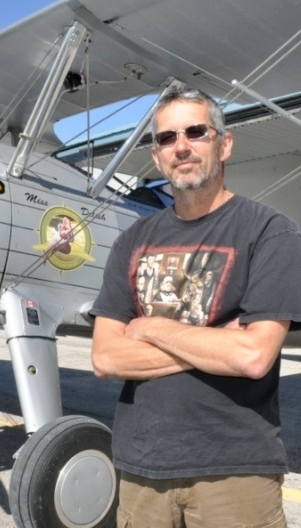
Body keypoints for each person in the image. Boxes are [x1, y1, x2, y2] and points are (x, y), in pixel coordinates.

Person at [90, 86, 301, 527]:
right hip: (141, 469)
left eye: (196, 132)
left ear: (224, 145)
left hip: (236, 470)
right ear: (156, 156)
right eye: (167, 138)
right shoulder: (132, 241)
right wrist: (217, 342)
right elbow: (106, 357)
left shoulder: (270, 232)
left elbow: (253, 355)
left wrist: (151, 328)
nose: (181, 146)